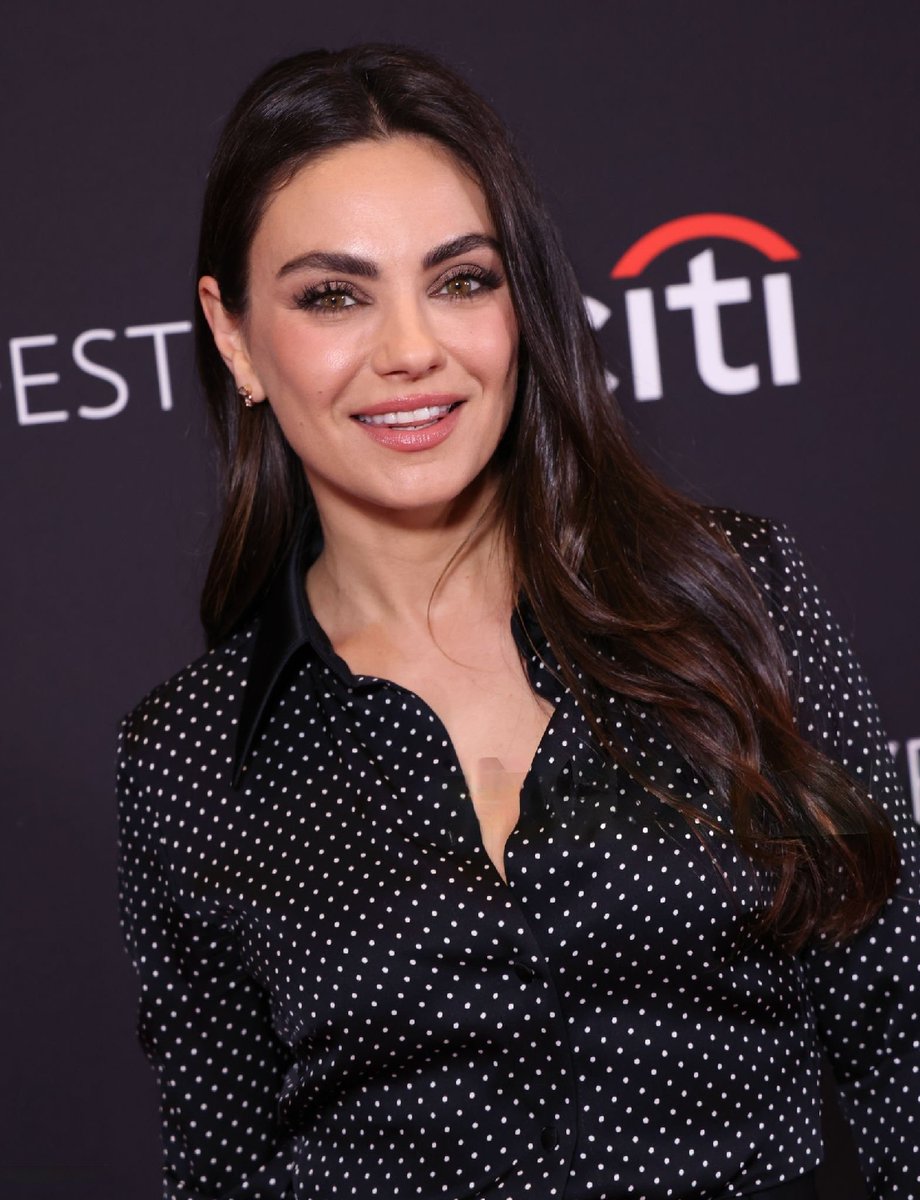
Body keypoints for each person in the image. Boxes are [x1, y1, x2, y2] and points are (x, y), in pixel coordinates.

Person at [116, 44, 919, 1200]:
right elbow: (221, 1170)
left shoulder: (734, 591)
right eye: (332, 295)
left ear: (521, 304)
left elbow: (898, 1035)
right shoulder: (189, 760)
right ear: (234, 335)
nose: (409, 350)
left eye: (460, 280)